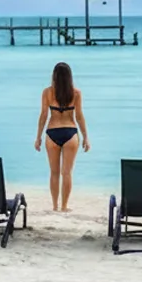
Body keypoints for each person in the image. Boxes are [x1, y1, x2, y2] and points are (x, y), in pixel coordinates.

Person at [34, 62, 89, 212]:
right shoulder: (76, 93)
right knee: (67, 173)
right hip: (70, 133)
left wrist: (38, 137)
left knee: (54, 173)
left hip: (52, 133)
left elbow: (43, 116)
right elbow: (79, 116)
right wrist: (86, 137)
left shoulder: (47, 93)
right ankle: (64, 206)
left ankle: (54, 205)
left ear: (54, 76)